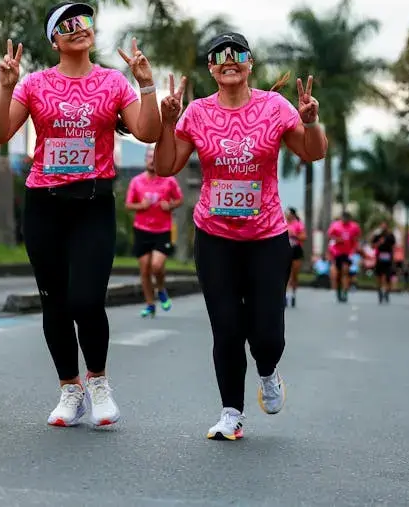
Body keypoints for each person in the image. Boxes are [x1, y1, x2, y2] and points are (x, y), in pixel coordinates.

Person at [0, 1, 161, 428]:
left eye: (83, 21)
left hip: (92, 203)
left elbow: (149, 132)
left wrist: (146, 86)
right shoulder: (34, 84)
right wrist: (6, 86)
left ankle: (98, 383)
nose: (78, 28)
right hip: (44, 203)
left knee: (86, 298)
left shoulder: (112, 82)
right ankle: (70, 389)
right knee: (55, 303)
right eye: (67, 25)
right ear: (54, 39)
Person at [154, 31, 327, 441]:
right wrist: (166, 121)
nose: (228, 60)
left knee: (267, 334)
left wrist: (311, 122)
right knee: (226, 328)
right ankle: (230, 413)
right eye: (219, 56)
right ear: (210, 67)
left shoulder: (274, 106)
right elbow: (165, 166)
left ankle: (267, 371)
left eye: (238, 54)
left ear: (250, 63)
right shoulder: (196, 112)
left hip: (266, 236)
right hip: (215, 237)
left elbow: (313, 152)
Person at [125, 146, 183, 318]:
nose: (152, 160)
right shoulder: (136, 181)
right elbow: (128, 205)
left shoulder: (169, 180)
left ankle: (161, 289)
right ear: (145, 160)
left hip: (162, 230)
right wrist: (140, 206)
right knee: (144, 270)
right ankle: (150, 304)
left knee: (156, 266)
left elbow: (179, 200)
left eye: (155, 157)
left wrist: (170, 205)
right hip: (142, 229)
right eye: (149, 157)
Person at [327, 212, 361, 303]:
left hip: (348, 253)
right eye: (343, 218)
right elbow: (329, 236)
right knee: (338, 275)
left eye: (347, 218)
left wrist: (355, 247)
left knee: (345, 272)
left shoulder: (354, 226)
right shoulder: (335, 225)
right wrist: (336, 239)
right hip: (337, 252)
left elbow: (357, 238)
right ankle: (338, 291)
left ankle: (345, 293)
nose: (345, 220)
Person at [370, 221, 396, 304]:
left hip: (388, 259)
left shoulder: (391, 236)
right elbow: (372, 246)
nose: (383, 227)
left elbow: (394, 246)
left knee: (387, 277)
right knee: (379, 277)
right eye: (382, 226)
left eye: (385, 226)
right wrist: (378, 242)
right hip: (379, 259)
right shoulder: (377, 236)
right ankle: (380, 292)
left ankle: (387, 292)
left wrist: (393, 257)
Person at [285, 208, 306, 307]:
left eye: (288, 213)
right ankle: (285, 295)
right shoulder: (282, 222)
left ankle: (293, 294)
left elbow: (304, 237)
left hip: (296, 250)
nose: (287, 215)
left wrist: (294, 235)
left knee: (294, 274)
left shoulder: (298, 224)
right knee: (285, 274)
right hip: (285, 249)